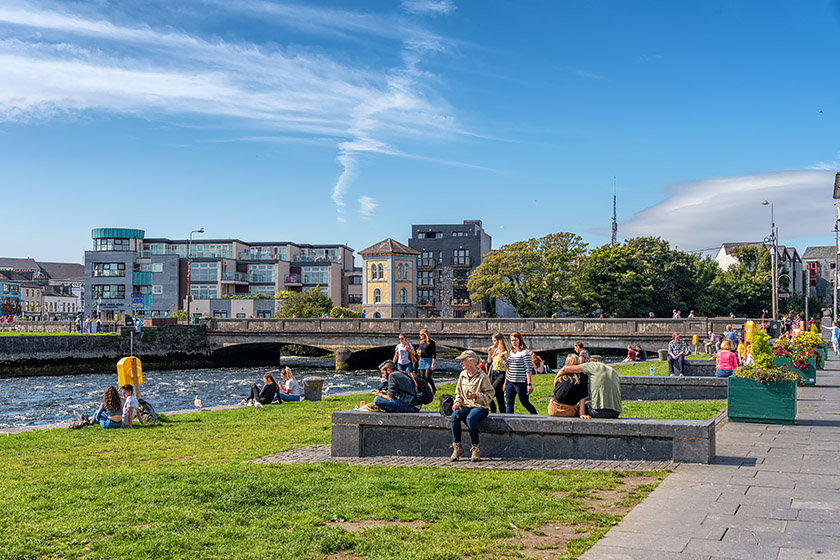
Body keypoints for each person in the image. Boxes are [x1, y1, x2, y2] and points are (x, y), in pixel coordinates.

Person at [449, 350, 495, 462]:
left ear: (471, 362)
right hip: (465, 405)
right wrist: (457, 401)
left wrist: (476, 396)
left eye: (463, 361)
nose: (461, 364)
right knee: (454, 417)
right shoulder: (462, 375)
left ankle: (475, 448)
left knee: (471, 418)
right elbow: (458, 392)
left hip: (480, 406)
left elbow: (490, 394)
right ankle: (457, 447)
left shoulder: (483, 376)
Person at [504, 332, 537, 414]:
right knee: (509, 403)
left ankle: (536, 416)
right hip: (510, 381)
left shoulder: (525, 353)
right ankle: (509, 420)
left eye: (515, 340)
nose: (513, 343)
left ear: (520, 340)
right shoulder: (512, 352)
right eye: (512, 341)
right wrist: (504, 359)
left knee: (524, 402)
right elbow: (509, 366)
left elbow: (528, 370)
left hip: (520, 382)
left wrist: (529, 384)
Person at [486, 332, 508, 413]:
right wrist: (489, 354)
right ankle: (503, 414)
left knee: (489, 395)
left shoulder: (505, 351)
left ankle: (493, 412)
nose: (493, 343)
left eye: (494, 341)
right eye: (492, 341)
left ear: (499, 341)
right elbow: (489, 364)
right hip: (493, 374)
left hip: (501, 375)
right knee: (500, 398)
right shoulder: (495, 350)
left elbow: (507, 366)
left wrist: (505, 381)